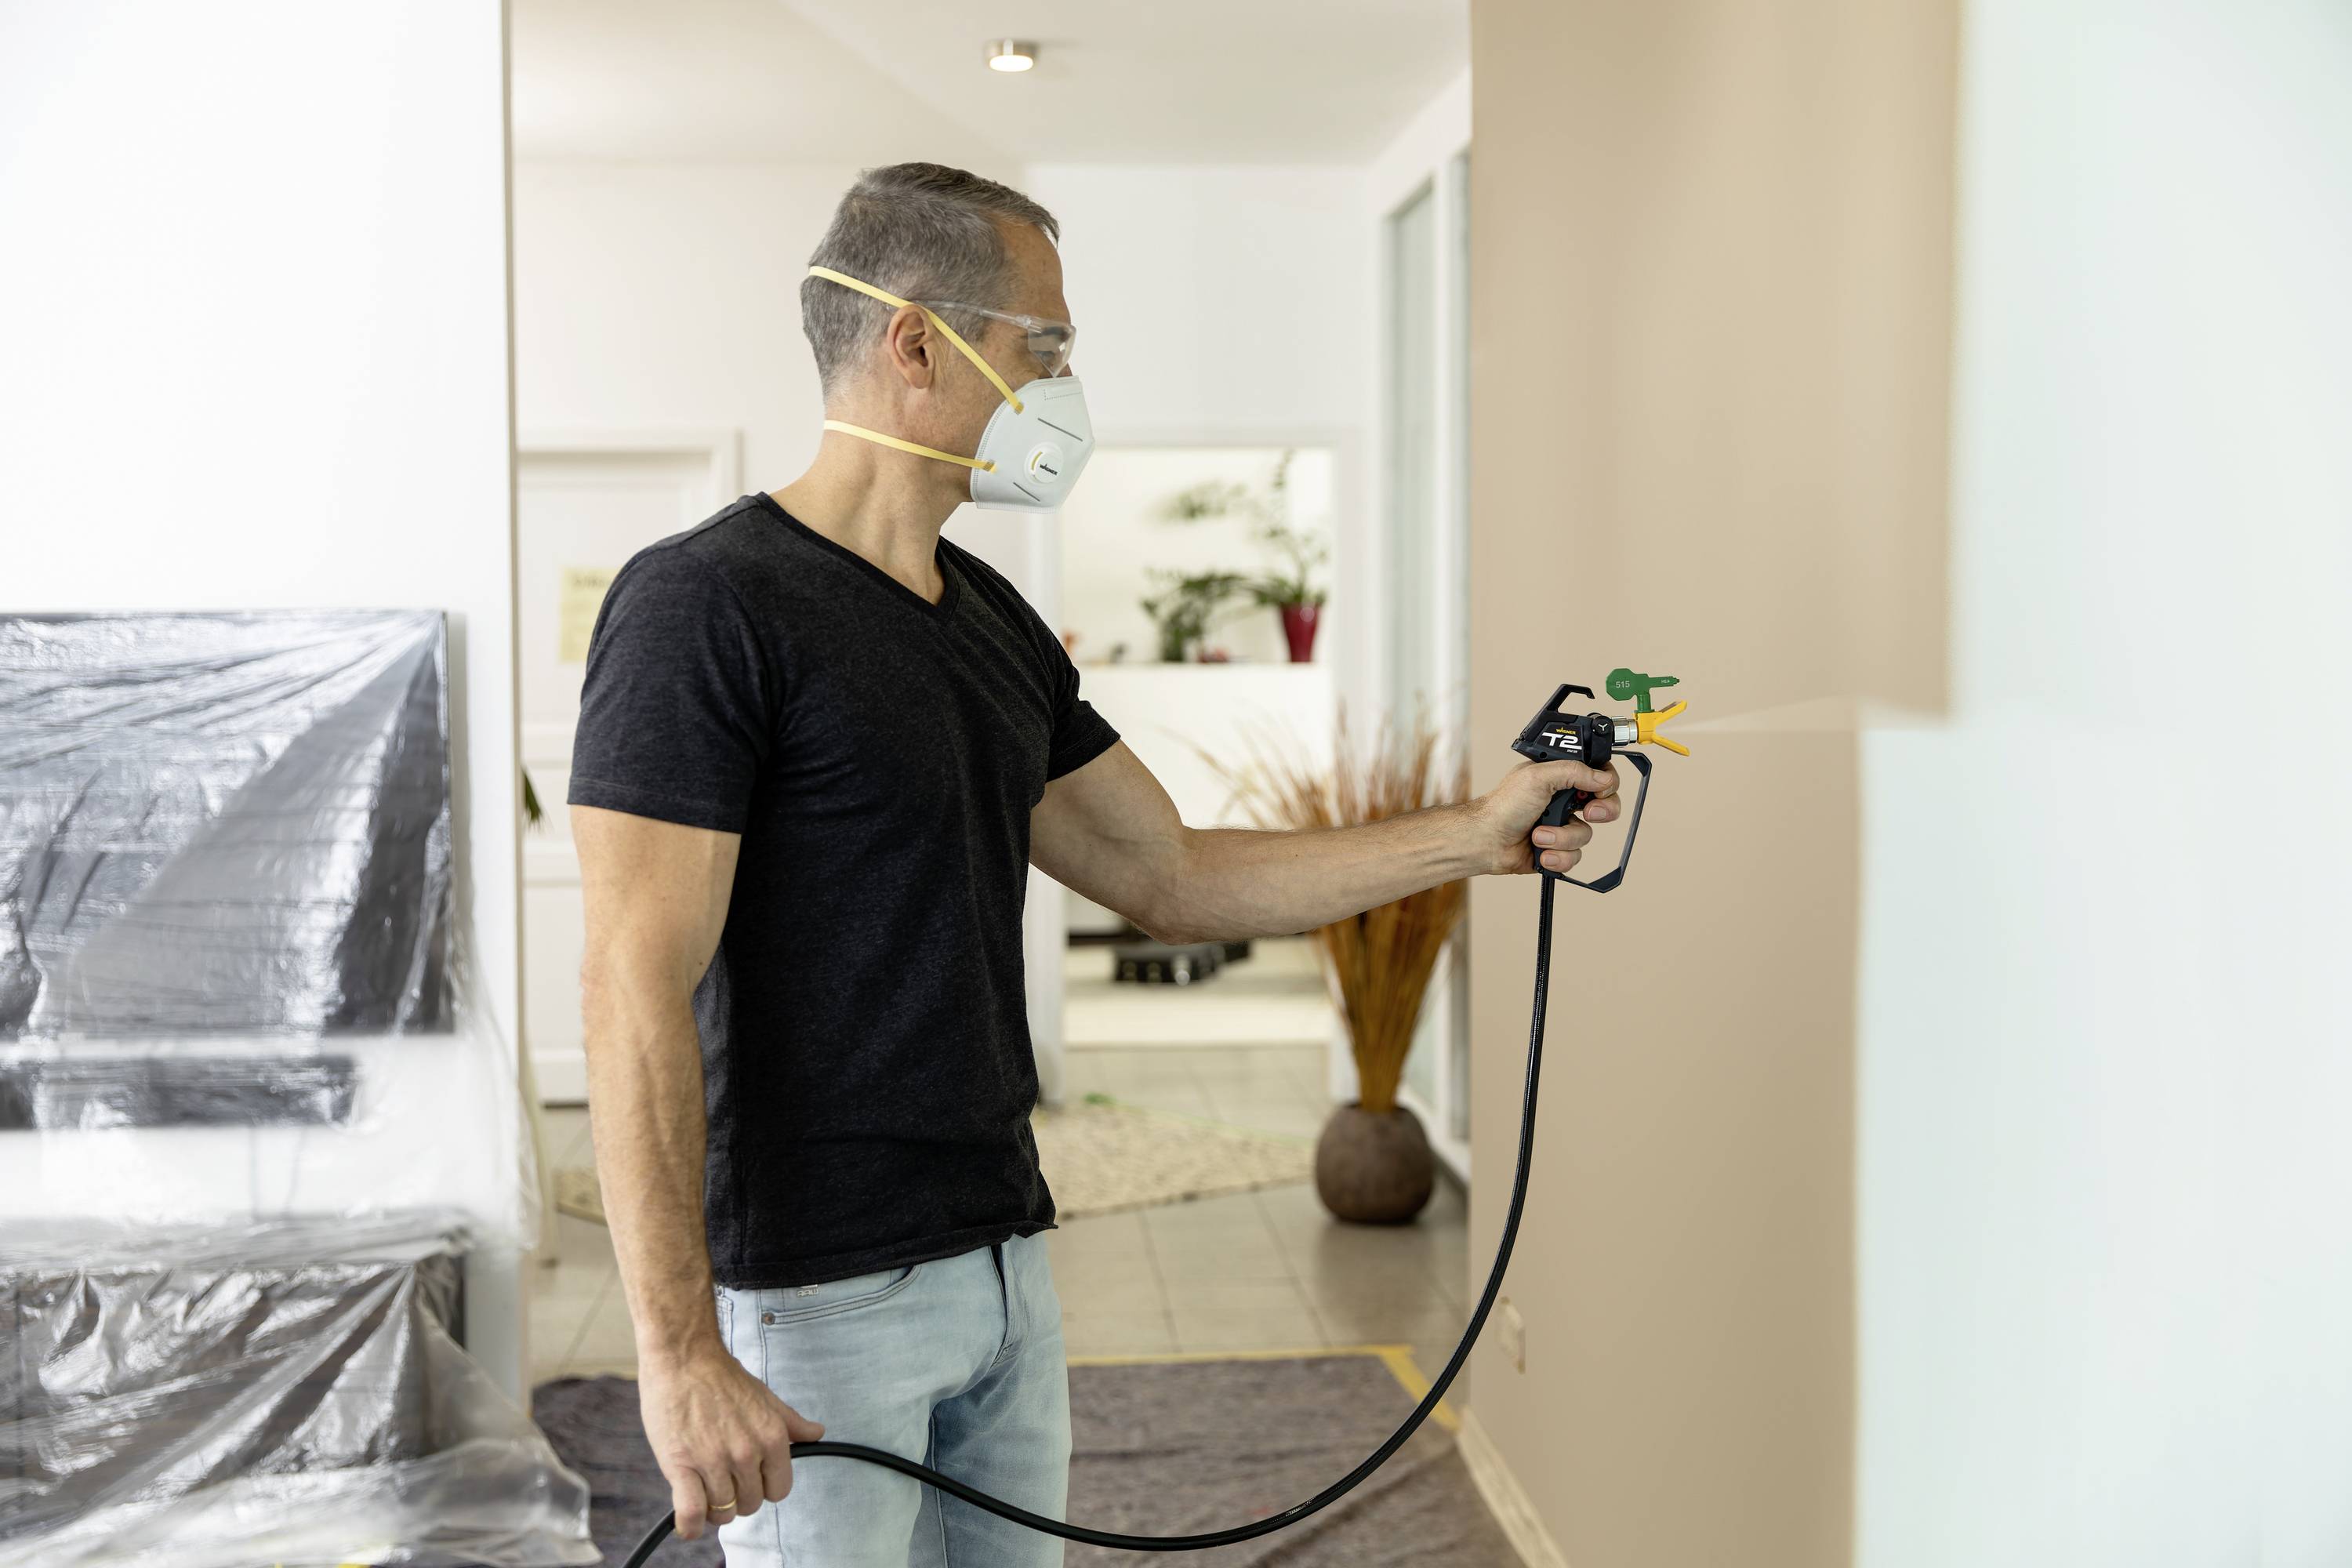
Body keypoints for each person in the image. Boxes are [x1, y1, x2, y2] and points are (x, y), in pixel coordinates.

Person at [566, 162, 1617, 1568]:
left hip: (1004, 1260)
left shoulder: (988, 616)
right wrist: (679, 1349)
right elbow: (635, 979)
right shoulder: (706, 605)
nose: (1063, 385)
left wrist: (1478, 835)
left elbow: (1173, 874)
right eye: (1042, 347)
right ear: (915, 342)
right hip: (815, 1299)